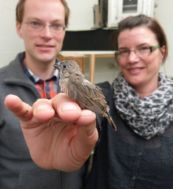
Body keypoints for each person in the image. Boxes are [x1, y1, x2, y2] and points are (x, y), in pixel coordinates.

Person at [5, 14, 173, 189]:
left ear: (162, 52)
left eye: (144, 48)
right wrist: (62, 136)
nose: (132, 58)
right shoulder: (103, 94)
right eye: (123, 51)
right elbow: (89, 122)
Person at [0, 0, 98, 188]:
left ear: (64, 31)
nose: (46, 35)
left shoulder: (85, 88)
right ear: (19, 27)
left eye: (56, 25)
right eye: (35, 23)